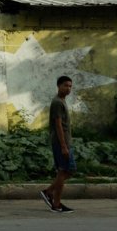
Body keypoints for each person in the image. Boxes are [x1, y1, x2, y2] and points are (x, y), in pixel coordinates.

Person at [40, 75, 76, 213]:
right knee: (64, 171)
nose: (68, 89)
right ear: (59, 86)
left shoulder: (62, 101)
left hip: (65, 142)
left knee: (69, 170)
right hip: (61, 143)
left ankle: (49, 192)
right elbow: (58, 125)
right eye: (66, 85)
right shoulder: (57, 103)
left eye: (70, 86)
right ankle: (56, 204)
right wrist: (63, 146)